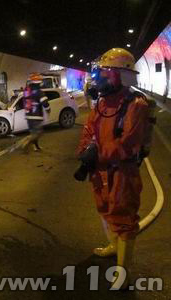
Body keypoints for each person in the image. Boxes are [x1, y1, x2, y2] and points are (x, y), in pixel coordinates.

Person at [77, 48, 150, 289]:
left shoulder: (136, 105)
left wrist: (98, 154)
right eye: (101, 73)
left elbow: (128, 144)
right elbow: (89, 129)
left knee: (124, 218)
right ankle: (112, 246)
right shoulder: (101, 103)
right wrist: (85, 150)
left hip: (122, 172)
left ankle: (122, 271)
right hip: (100, 170)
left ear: (123, 75)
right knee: (104, 209)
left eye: (107, 73)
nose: (101, 79)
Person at [22, 73, 50, 153]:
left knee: (34, 133)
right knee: (39, 132)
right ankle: (27, 142)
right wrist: (48, 110)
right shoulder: (39, 92)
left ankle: (36, 147)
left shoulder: (26, 91)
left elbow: (24, 102)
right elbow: (45, 103)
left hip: (28, 116)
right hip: (36, 116)